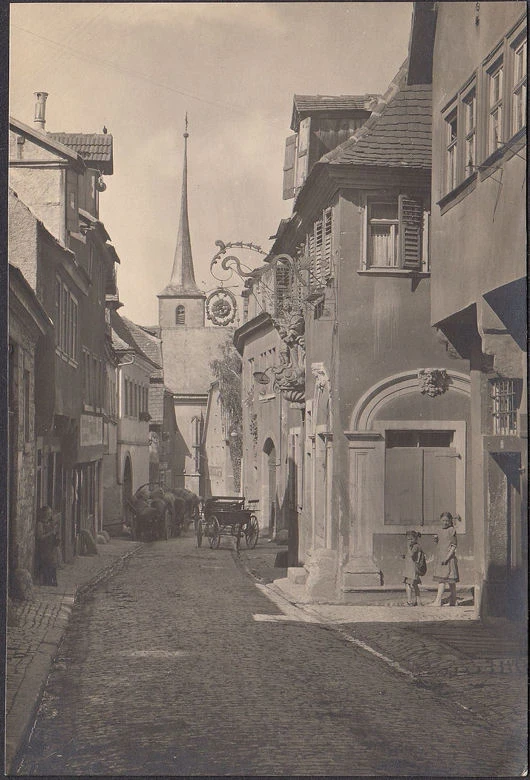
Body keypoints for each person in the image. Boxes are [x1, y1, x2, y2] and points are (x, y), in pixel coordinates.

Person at [432, 511, 459, 606]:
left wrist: (447, 558)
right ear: (440, 520)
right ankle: (453, 601)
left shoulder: (452, 530)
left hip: (448, 559)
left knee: (444, 580)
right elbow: (440, 544)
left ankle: (438, 601)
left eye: (447, 521)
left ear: (450, 521)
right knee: (449, 581)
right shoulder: (439, 530)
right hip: (441, 558)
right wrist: (436, 540)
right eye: (443, 520)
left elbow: (453, 546)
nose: (445, 522)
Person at [35, 506, 58, 586]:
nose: (49, 515)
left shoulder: (49, 523)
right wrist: (51, 533)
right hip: (44, 547)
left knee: (53, 563)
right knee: (47, 563)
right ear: (44, 514)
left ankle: (53, 581)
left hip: (50, 547)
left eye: (50, 513)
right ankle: (47, 581)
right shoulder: (40, 524)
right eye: (48, 513)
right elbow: (40, 537)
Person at [402, 530, 424, 606]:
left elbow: (411, 555)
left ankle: (409, 601)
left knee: (408, 584)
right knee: (415, 585)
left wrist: (408, 547)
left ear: (416, 539)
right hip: (411, 569)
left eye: (411, 539)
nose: (409, 541)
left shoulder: (415, 546)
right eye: (408, 539)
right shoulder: (415, 546)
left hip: (412, 570)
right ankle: (418, 601)